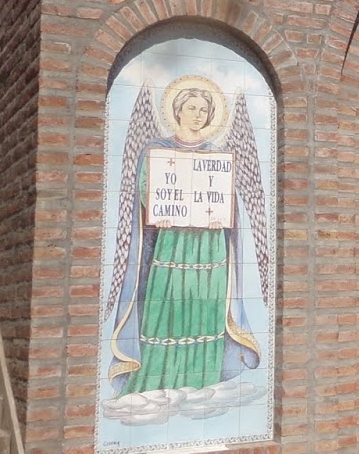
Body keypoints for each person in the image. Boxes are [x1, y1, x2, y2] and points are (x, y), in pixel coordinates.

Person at [111, 80, 261, 393]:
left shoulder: (217, 154)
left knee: (206, 312)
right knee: (165, 307)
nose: (197, 114)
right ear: (177, 111)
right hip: (171, 245)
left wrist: (218, 207)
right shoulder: (156, 150)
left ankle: (201, 382)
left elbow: (227, 202)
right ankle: (158, 382)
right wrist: (160, 203)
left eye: (204, 110)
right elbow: (143, 192)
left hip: (210, 249)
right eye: (191, 108)